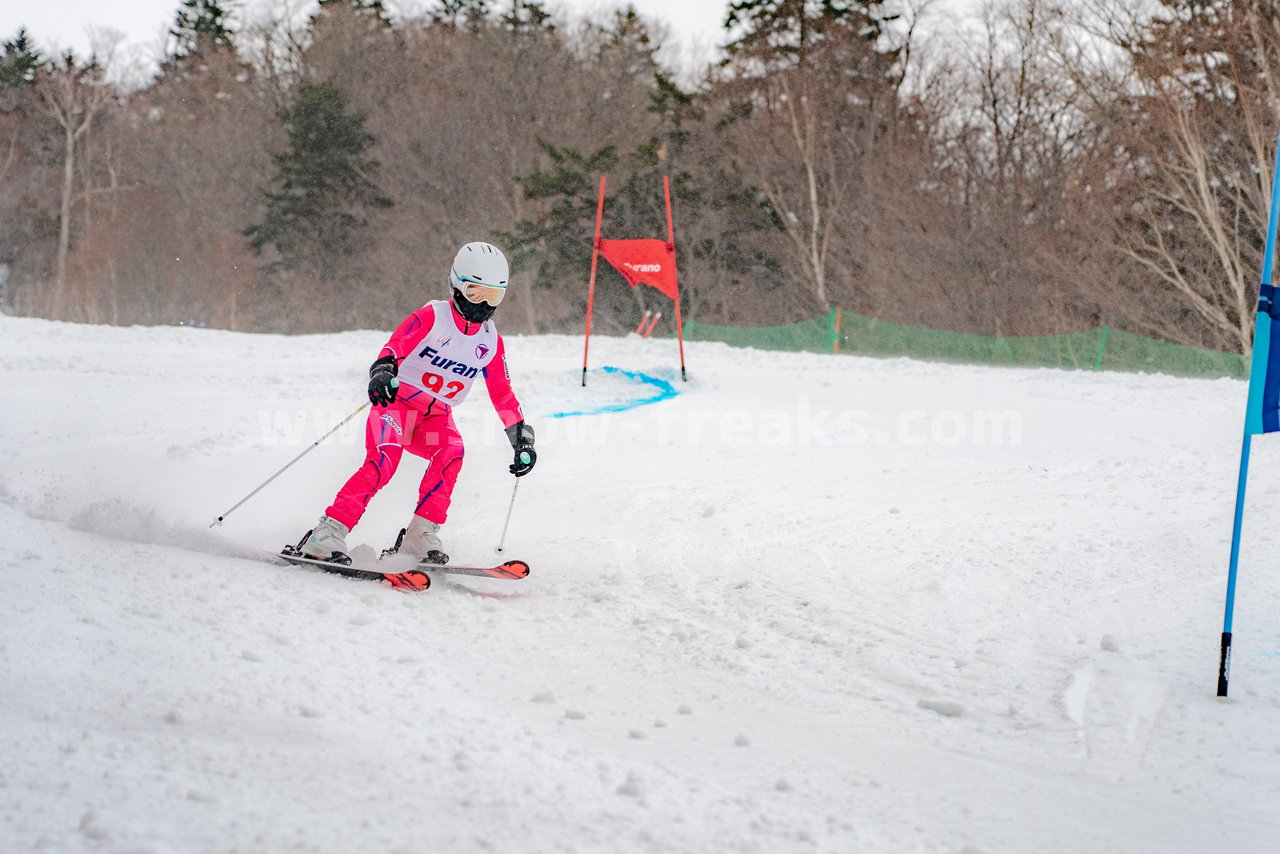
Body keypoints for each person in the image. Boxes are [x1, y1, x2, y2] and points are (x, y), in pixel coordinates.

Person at [297, 241, 536, 566]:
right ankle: (327, 532)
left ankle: (419, 534)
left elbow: (503, 394)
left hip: (434, 419)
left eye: (492, 296)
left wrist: (520, 436)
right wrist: (382, 372)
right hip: (395, 407)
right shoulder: (432, 317)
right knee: (385, 459)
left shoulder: (490, 341)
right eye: (474, 291)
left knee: (452, 450)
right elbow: (393, 348)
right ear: (456, 285)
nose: (482, 304)